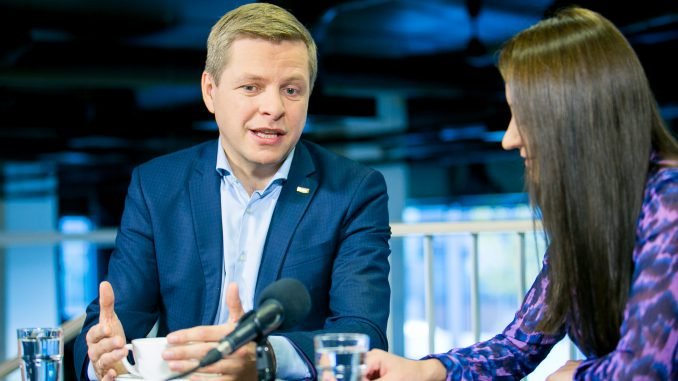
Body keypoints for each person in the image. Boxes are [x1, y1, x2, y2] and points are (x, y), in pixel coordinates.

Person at [73, 3, 391, 380]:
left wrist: (265, 359)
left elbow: (362, 335)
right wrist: (102, 358)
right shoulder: (157, 186)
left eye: (291, 90)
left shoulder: (353, 191)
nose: (273, 108)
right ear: (210, 91)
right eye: (251, 87)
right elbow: (114, 322)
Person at [363, 6, 677, 381]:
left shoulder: (669, 202)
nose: (509, 139)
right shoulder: (590, 215)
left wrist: (575, 377)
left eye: (521, 115)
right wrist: (425, 370)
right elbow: (517, 347)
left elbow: (644, 369)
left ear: (571, 116)